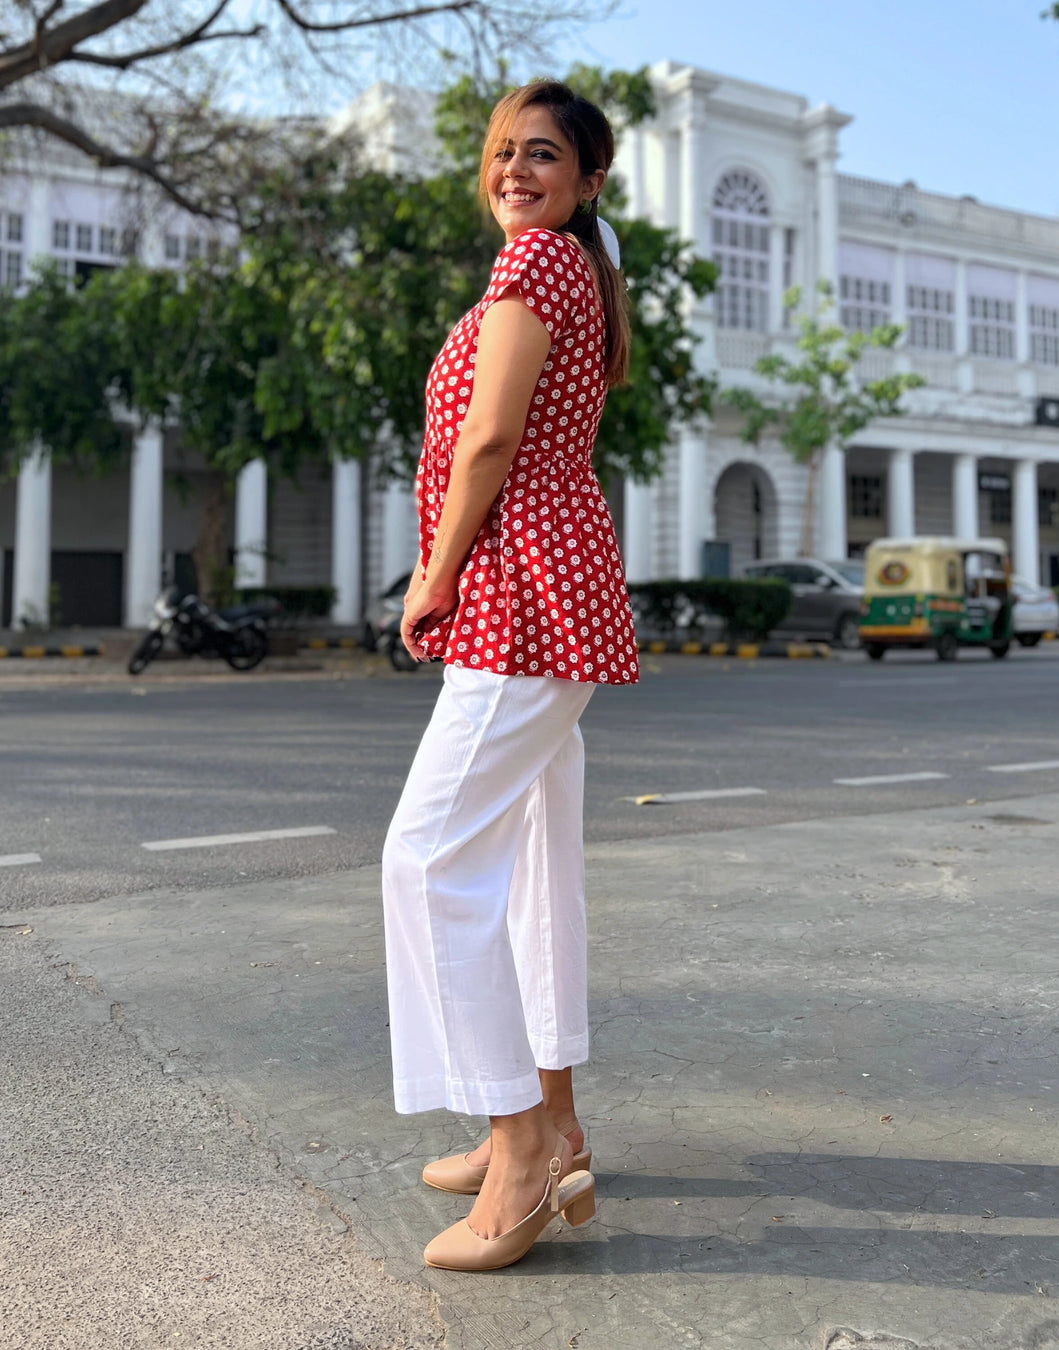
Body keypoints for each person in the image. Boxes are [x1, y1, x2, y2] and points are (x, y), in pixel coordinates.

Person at [380, 79, 639, 1273]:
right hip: (554, 586)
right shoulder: (573, 270)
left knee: (428, 858)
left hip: (520, 592)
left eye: (544, 156)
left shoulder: (536, 270)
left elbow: (488, 439)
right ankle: (554, 1121)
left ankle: (522, 1144)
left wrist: (430, 574)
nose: (515, 172)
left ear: (587, 181)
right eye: (502, 153)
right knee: (532, 863)